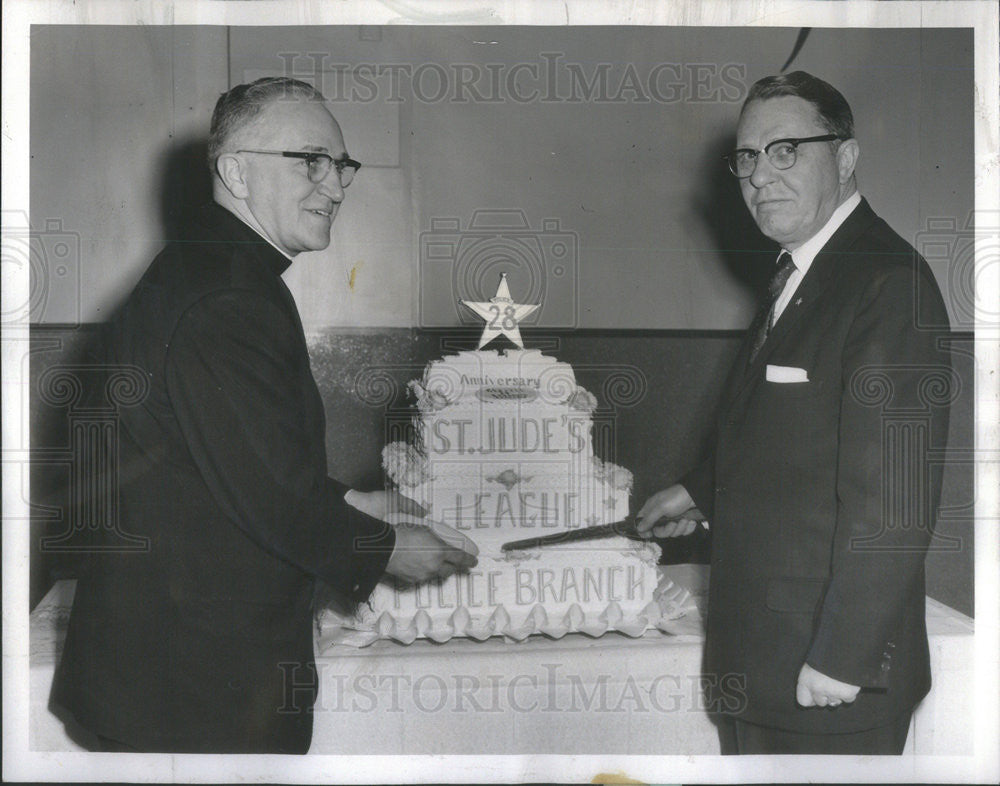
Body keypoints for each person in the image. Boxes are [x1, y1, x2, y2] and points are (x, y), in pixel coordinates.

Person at [51, 77, 478, 754]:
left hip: (165, 675)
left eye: (341, 166)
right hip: (195, 690)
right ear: (236, 172)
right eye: (311, 160)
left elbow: (224, 467)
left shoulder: (206, 271)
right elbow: (268, 493)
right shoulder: (229, 297)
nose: (336, 187)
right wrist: (388, 547)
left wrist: (366, 500)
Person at [637, 71, 950, 754]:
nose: (759, 176)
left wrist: (844, 658)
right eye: (747, 157)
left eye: (786, 151)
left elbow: (894, 499)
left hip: (828, 678)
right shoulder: (801, 272)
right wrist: (701, 489)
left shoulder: (887, 283)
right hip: (765, 663)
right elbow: (793, 434)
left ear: (843, 158)